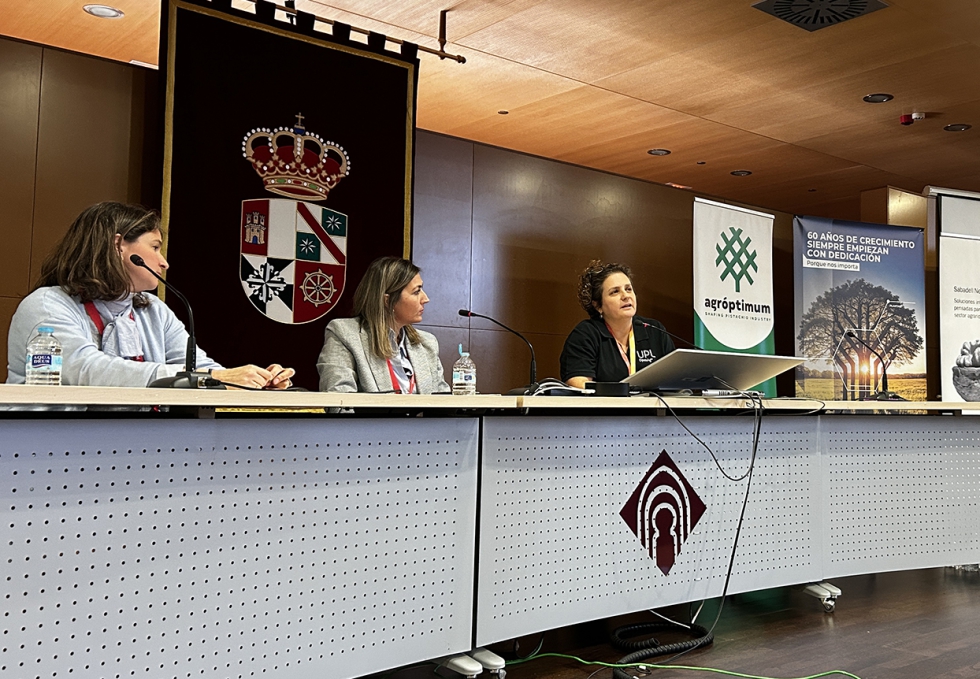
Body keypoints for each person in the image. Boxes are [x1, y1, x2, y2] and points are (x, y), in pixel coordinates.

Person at [6, 202, 294, 389]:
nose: (164, 262)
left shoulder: (153, 309)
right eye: (155, 248)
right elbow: (86, 372)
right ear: (118, 245)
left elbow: (199, 369)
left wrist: (253, 380)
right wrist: (212, 379)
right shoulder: (47, 304)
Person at [317, 256, 450, 393]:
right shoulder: (344, 334)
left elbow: (443, 400)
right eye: (416, 292)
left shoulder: (427, 343)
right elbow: (340, 401)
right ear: (387, 300)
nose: (425, 299)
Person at [560, 260, 674, 389]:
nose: (626, 296)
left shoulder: (654, 330)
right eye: (615, 292)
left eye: (628, 289)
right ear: (597, 305)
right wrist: (623, 392)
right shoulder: (585, 334)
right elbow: (579, 384)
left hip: (654, 408)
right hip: (604, 408)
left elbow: (675, 379)